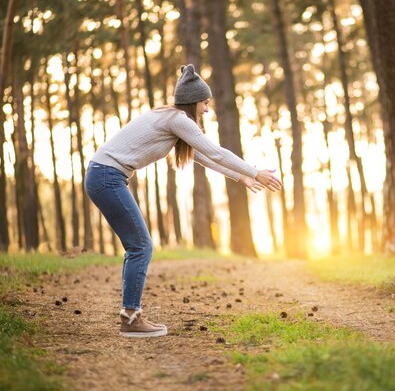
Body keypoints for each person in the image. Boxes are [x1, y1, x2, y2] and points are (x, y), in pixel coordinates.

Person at [85, 64, 282, 337]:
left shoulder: (171, 119)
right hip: (106, 177)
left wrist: (241, 178)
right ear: (193, 101)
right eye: (204, 103)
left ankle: (131, 316)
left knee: (138, 245)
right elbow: (215, 151)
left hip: (103, 176)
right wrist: (254, 171)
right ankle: (130, 319)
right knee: (140, 246)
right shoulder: (177, 119)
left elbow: (203, 156)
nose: (207, 109)